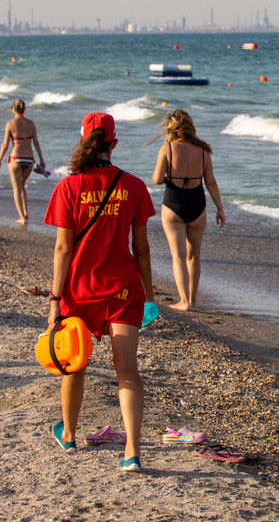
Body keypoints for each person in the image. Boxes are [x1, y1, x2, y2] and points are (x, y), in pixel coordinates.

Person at [43, 112, 155, 473]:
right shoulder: (134, 186)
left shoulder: (68, 187)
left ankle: (71, 435)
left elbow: (62, 250)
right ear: (114, 143)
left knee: (74, 366)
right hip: (123, 291)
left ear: (82, 141)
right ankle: (132, 453)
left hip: (79, 292)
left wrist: (54, 299)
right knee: (128, 371)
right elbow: (142, 249)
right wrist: (150, 296)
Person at [150, 110, 226, 311]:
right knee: (194, 256)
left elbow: (157, 179)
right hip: (198, 205)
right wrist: (220, 208)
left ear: (171, 127)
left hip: (173, 205)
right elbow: (210, 182)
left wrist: (171, 173)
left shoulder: (168, 148)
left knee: (178, 256)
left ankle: (183, 301)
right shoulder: (203, 151)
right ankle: (192, 299)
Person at [0, 98, 47, 225]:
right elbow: (36, 143)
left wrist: (0, 160)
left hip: (16, 159)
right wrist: (42, 159)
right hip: (29, 160)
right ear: (24, 109)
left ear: (13, 109)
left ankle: (22, 217)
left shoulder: (10, 124)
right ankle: (25, 212)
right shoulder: (31, 124)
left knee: (17, 188)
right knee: (22, 186)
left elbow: (5, 145)